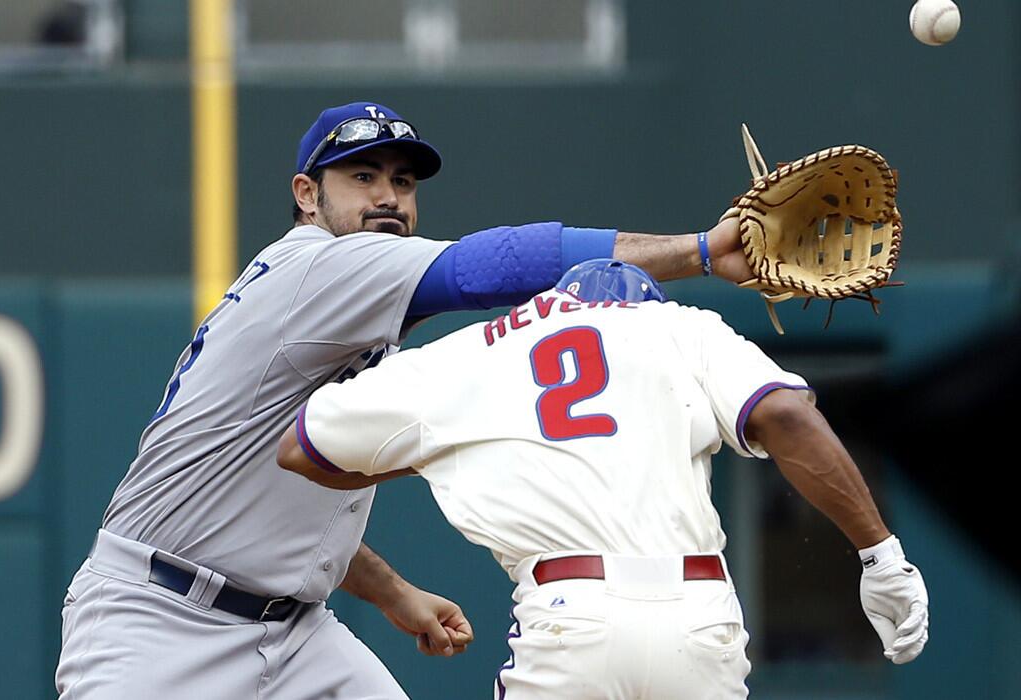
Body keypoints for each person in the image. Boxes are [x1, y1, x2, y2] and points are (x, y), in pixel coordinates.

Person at [56, 100, 755, 699]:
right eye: (362, 177)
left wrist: (392, 593)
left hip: (292, 633)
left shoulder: (351, 304)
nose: (389, 197)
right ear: (307, 195)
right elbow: (501, 263)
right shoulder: (320, 266)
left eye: (402, 180)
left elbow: (267, 504)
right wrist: (699, 250)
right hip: (157, 621)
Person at [277, 259, 930, 699]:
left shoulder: (474, 352)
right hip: (699, 619)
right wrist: (882, 556)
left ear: (554, 305)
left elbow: (302, 450)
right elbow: (786, 413)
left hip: (572, 616)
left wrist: (444, 446)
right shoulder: (683, 327)